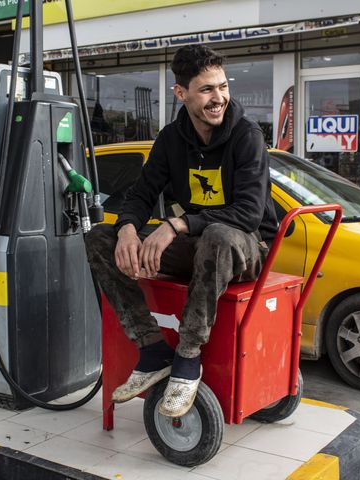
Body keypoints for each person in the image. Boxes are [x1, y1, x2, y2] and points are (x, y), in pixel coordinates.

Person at [85, 45, 278, 417]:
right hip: (197, 246)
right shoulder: (172, 139)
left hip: (247, 247)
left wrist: (176, 224)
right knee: (98, 238)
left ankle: (188, 357)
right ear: (181, 93)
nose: (218, 97)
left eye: (222, 87)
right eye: (206, 89)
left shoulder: (247, 136)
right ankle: (153, 349)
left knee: (218, 236)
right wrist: (126, 229)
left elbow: (249, 214)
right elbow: (141, 194)